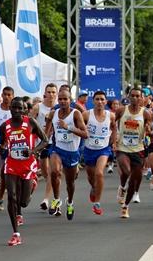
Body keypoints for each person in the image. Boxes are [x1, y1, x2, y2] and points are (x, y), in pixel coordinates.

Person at [0, 97, 48, 246]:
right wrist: (2, 148)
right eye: (14, 108)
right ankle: (16, 234)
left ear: (25, 110)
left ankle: (32, 184)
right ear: (10, 109)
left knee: (24, 202)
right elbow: (3, 144)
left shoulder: (30, 122)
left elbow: (45, 140)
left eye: (20, 108)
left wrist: (33, 151)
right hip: (12, 165)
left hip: (27, 165)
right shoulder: (4, 126)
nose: (17, 111)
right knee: (12, 198)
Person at [45, 89, 88, 220]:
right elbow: (47, 133)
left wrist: (68, 127)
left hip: (72, 152)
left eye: (66, 99)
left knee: (70, 183)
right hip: (57, 149)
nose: (63, 101)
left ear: (71, 100)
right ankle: (57, 199)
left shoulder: (76, 114)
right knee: (54, 172)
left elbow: (85, 134)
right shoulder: (53, 113)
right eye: (60, 99)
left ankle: (70, 202)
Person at [115, 88, 152, 218]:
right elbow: (111, 125)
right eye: (133, 96)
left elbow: (150, 131)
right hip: (122, 148)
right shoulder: (121, 110)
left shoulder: (146, 113)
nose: (135, 98)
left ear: (142, 98)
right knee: (126, 172)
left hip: (138, 149)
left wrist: (149, 131)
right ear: (128, 97)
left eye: (138, 96)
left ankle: (125, 206)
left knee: (135, 180)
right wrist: (115, 137)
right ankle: (122, 186)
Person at [82, 91, 117, 215]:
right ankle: (93, 187)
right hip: (89, 149)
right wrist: (83, 130)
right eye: (97, 99)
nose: (100, 102)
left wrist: (114, 142)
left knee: (99, 173)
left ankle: (97, 203)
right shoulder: (86, 114)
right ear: (93, 101)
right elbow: (80, 126)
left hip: (103, 149)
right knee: (91, 177)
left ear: (106, 102)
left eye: (102, 99)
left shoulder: (111, 115)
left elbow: (114, 127)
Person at [30, 83, 57, 211]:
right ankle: (53, 188)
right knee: (45, 171)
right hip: (42, 143)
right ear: (45, 94)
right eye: (49, 92)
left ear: (56, 94)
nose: (51, 94)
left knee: (52, 172)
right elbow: (28, 124)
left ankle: (46, 199)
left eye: (53, 92)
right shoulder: (38, 107)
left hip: (57, 144)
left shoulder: (59, 108)